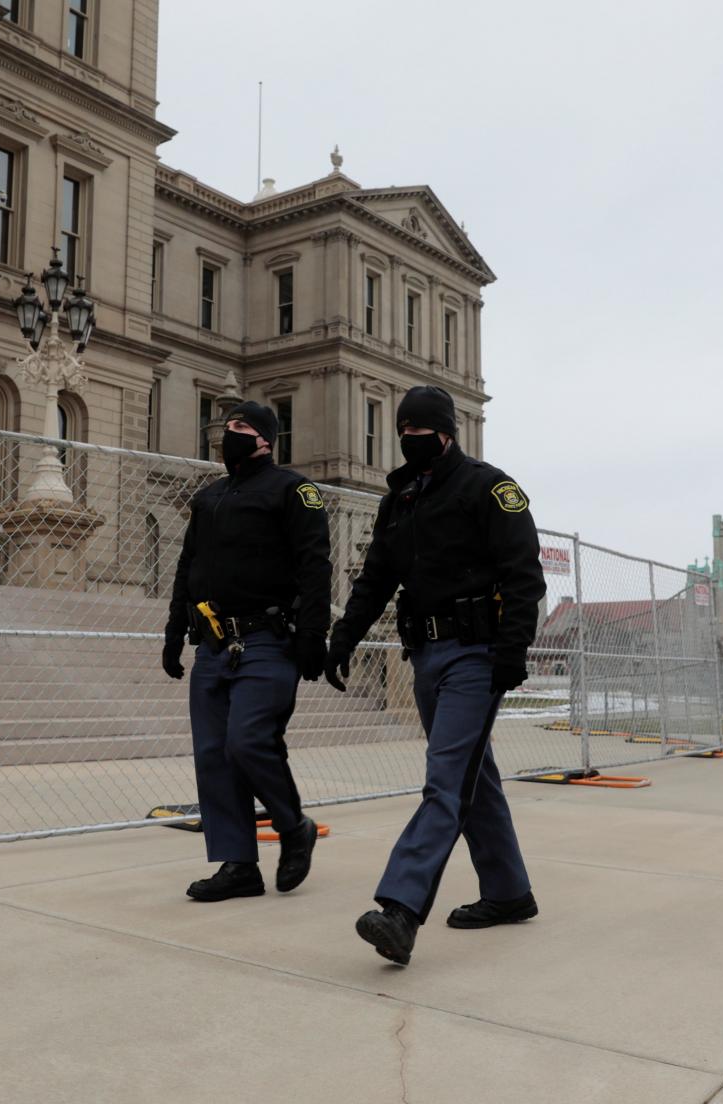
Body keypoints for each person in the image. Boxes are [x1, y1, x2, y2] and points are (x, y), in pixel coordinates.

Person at [325, 385, 546, 965]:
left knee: (445, 781)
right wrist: (344, 636)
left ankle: (400, 908)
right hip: (425, 655)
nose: (408, 439)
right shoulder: (400, 499)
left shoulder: (488, 488)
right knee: (474, 776)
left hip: (477, 655)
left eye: (419, 430)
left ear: (447, 433)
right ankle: (509, 892)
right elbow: (375, 578)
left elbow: (524, 574)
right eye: (402, 430)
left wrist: (512, 649)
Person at [162, 400, 331, 902]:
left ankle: (292, 826)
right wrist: (174, 631)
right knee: (213, 754)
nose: (227, 432)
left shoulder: (293, 490)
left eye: (238, 426)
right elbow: (187, 567)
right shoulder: (208, 497)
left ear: (264, 439)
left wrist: (313, 635)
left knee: (248, 740)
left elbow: (315, 566)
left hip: (267, 639)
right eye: (226, 425)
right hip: (213, 642)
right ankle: (238, 865)